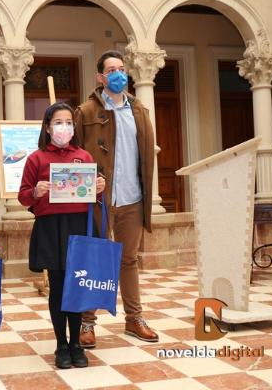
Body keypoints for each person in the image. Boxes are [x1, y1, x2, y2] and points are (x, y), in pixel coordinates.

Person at [74, 50, 159, 349]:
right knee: (94, 257)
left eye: (121, 69)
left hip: (132, 197)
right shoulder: (85, 112)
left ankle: (134, 319)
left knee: (129, 259)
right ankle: (87, 321)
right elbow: (75, 156)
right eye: (111, 70)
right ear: (100, 76)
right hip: (99, 198)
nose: (117, 74)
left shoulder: (140, 111)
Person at [18, 102, 105, 369]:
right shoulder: (36, 158)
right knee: (57, 287)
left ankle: (76, 344)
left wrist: (99, 187)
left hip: (78, 225)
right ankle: (60, 345)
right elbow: (23, 196)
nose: (63, 127)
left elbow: (93, 195)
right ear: (47, 127)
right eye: (58, 122)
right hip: (50, 227)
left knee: (77, 287)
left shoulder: (84, 156)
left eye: (68, 122)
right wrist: (35, 192)